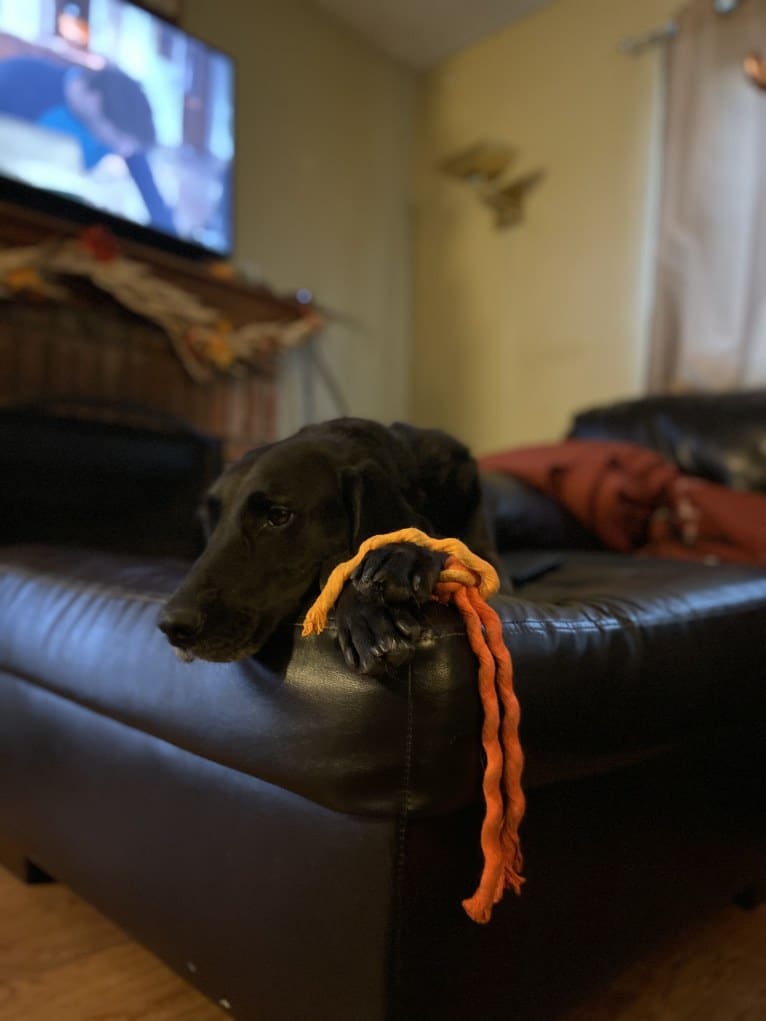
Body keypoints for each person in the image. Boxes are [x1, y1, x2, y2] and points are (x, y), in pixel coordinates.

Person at [0, 56, 176, 234]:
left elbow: (151, 196)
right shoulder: (18, 77)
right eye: (115, 140)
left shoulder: (119, 126)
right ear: (95, 100)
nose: (120, 151)